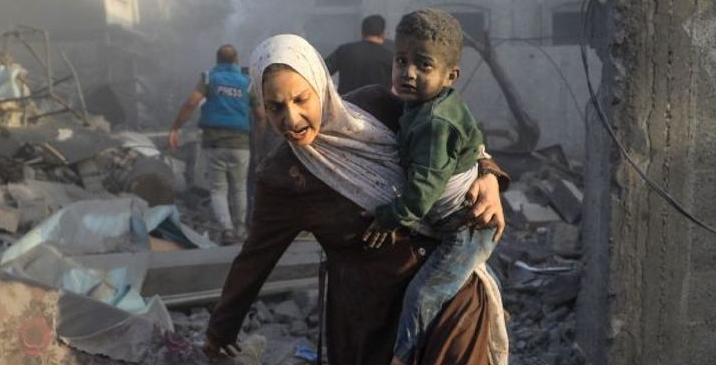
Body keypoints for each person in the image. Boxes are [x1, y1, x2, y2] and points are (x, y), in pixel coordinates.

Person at [204, 34, 510, 365]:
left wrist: (487, 173)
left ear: (320, 85)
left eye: (301, 99)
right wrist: (220, 333)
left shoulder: (378, 107)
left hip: (449, 296)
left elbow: (451, 133)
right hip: (371, 322)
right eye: (275, 107)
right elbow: (254, 260)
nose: (291, 120)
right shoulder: (282, 178)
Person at [359, 8, 497, 365]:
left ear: (451, 76)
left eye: (423, 65)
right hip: (452, 221)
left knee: (421, 297)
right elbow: (476, 135)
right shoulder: (424, 105)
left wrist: (389, 217)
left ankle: (403, 357)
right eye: (401, 61)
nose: (408, 73)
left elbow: (421, 195)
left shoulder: (435, 123)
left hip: (463, 229)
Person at [168, 45, 264, 244]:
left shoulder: (209, 78)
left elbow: (192, 102)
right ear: (237, 60)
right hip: (241, 144)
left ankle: (227, 230)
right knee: (239, 188)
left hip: (214, 143)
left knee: (218, 189)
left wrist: (175, 127)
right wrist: (257, 141)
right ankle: (241, 231)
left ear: (217, 60)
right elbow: (261, 115)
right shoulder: (247, 83)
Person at [325, 14, 393, 94]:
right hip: (379, 104)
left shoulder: (344, 51)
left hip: (347, 103)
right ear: (382, 34)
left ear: (362, 32)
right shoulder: (390, 56)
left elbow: (322, 70)